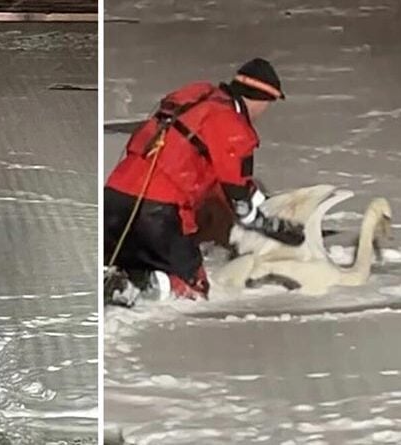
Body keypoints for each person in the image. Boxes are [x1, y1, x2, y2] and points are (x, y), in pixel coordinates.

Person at [104, 58, 304, 300]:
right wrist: (267, 225)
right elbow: (237, 193)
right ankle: (140, 286)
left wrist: (262, 203)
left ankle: (119, 278)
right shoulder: (232, 125)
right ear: (262, 99)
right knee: (195, 288)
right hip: (157, 209)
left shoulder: (198, 98)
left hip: (115, 195)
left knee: (124, 257)